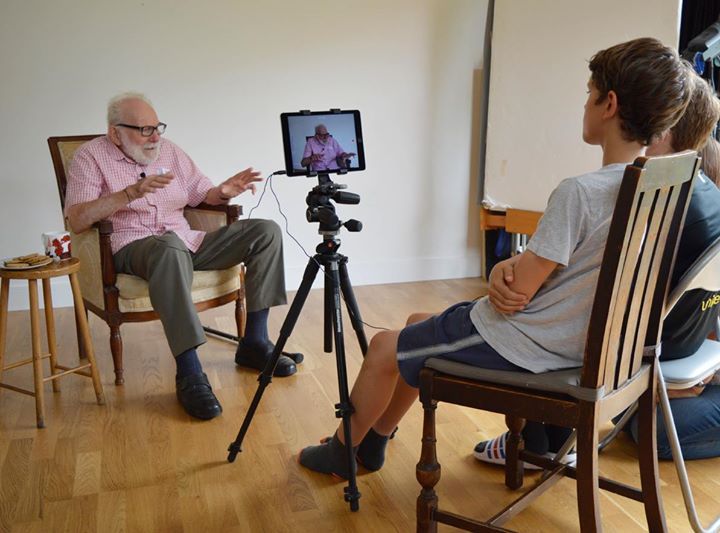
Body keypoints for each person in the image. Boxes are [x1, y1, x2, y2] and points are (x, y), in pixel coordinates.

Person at [298, 37, 692, 479]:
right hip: (583, 348)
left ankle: (340, 452)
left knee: (384, 347)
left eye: (589, 93)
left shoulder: (580, 192)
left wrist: (504, 271)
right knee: (415, 324)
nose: (585, 102)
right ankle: (374, 442)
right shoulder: (660, 186)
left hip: (530, 344)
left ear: (609, 104)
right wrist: (510, 268)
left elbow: (516, 292)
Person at [474, 72, 720, 463]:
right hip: (674, 344)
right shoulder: (705, 191)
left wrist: (513, 270)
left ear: (664, 129)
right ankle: (552, 437)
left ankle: (540, 440)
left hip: (640, 351)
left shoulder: (658, 199)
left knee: (551, 310)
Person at [64, 92, 303, 421]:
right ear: (115, 133)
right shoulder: (90, 157)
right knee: (168, 247)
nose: (155, 137)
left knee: (266, 231)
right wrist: (129, 193)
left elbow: (201, 192)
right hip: (133, 246)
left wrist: (222, 193)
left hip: (188, 241)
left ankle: (255, 343)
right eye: (144, 130)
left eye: (157, 127)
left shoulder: (170, 151)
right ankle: (189, 372)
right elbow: (77, 219)